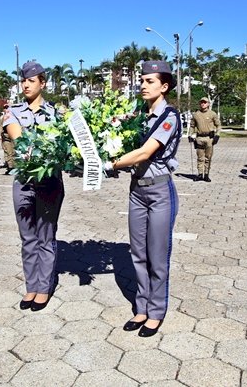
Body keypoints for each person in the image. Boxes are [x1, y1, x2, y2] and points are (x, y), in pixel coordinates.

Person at [104, 60, 181, 338]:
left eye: (150, 81)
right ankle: (141, 307)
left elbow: (145, 153)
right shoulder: (137, 115)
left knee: (157, 256)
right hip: (137, 191)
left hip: (160, 192)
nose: (143, 85)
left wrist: (110, 164)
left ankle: (156, 311)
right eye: (142, 80)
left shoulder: (169, 116)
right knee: (138, 253)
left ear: (164, 85)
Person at [4, 61, 65, 312]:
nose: (26, 84)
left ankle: (44, 287)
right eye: (23, 80)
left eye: (31, 80)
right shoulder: (13, 111)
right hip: (25, 182)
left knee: (45, 237)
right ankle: (31, 285)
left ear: (43, 83)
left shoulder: (57, 115)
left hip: (50, 183)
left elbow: (63, 144)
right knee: (28, 237)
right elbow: (20, 140)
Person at [189, 97, 220, 182]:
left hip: (209, 138)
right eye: (201, 102)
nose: (203, 104)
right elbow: (192, 126)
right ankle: (199, 174)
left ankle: (206, 174)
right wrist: (190, 135)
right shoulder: (196, 114)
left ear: (208, 104)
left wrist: (217, 135)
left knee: (208, 158)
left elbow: (218, 125)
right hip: (199, 138)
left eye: (205, 102)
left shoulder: (212, 114)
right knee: (200, 157)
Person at [0, 104, 15, 173]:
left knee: (14, 152)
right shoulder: (2, 117)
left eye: (8, 108)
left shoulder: (15, 116)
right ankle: (10, 167)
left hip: (14, 136)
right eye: (5, 108)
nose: (6, 109)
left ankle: (14, 166)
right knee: (8, 152)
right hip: (5, 136)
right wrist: (0, 135)